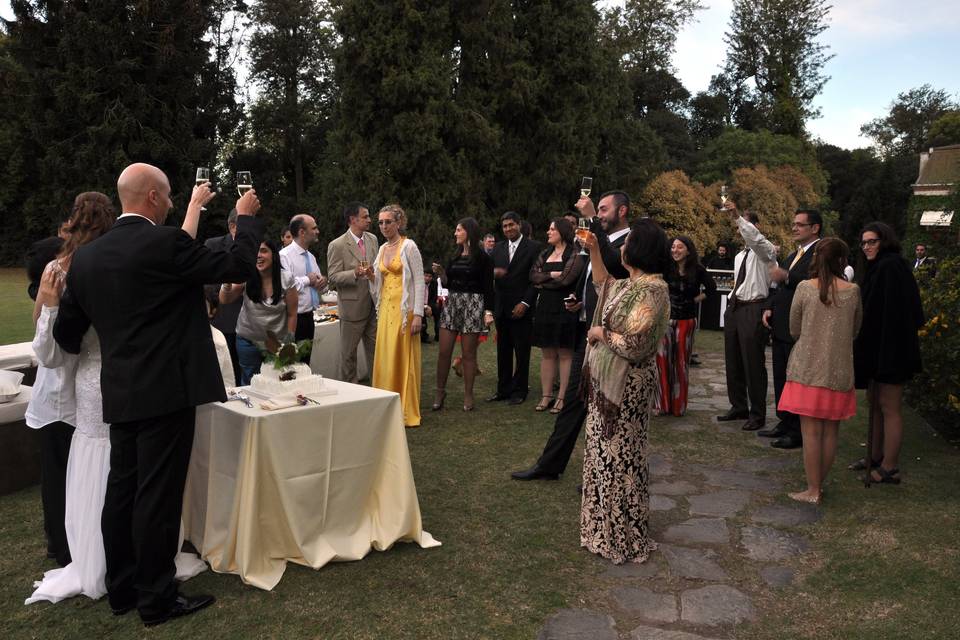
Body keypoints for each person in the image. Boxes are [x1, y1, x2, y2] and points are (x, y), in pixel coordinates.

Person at [53, 163, 263, 625]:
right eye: (168, 197)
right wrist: (245, 219)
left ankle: (122, 588)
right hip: (167, 389)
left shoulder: (86, 258)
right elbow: (239, 265)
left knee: (122, 490)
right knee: (158, 496)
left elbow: (68, 335)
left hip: (120, 389)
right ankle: (156, 598)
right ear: (151, 197)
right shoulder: (166, 244)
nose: (171, 204)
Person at [28, 187, 210, 607]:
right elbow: (55, 349)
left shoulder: (77, 267)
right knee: (139, 484)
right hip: (116, 383)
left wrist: (51, 308)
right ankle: (141, 577)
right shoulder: (116, 262)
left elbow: (56, 348)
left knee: (116, 483)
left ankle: (118, 574)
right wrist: (52, 308)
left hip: (104, 382)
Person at [512, 190, 631, 481]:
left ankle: (604, 476)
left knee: (606, 410)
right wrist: (579, 298)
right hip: (587, 331)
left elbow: (615, 266)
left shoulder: (631, 241)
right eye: (598, 211)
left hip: (611, 337)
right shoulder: (597, 242)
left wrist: (589, 218)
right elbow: (592, 278)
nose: (600, 215)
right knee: (573, 405)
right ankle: (549, 465)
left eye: (604, 210)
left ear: (623, 211)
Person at [579, 219, 670, 564]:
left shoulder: (652, 291)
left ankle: (622, 535)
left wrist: (600, 333)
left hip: (627, 387)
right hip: (609, 384)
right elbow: (604, 284)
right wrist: (593, 250)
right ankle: (600, 530)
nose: (623, 246)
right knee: (602, 454)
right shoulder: (632, 285)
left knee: (619, 456)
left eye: (628, 241)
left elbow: (634, 344)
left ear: (640, 248)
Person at [778, 238, 862, 504]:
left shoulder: (804, 287)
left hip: (807, 369)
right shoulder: (853, 291)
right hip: (838, 370)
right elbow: (856, 330)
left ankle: (813, 489)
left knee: (811, 433)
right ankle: (818, 485)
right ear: (843, 261)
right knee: (830, 432)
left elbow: (794, 328)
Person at [850, 222, 924, 485]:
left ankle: (890, 467)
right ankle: (876, 455)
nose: (867, 247)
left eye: (873, 242)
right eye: (864, 242)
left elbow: (897, 313)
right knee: (875, 402)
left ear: (885, 241)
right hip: (879, 348)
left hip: (892, 349)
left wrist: (882, 350)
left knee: (890, 406)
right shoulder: (879, 267)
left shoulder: (891, 266)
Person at [23, 215, 73, 567]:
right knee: (57, 478)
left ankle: (62, 540)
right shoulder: (50, 301)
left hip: (67, 398)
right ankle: (59, 543)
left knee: (63, 475)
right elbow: (49, 353)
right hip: (57, 401)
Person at [759, 209, 822, 450]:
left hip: (799, 328)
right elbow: (780, 288)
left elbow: (812, 283)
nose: (794, 228)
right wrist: (768, 307)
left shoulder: (819, 253)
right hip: (781, 325)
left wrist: (787, 276)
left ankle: (796, 431)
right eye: (793, 224)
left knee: (795, 380)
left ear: (814, 228)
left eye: (800, 225)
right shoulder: (794, 254)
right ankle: (784, 422)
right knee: (780, 377)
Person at [717, 203, 777, 431]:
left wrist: (736, 217)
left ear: (756, 226)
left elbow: (756, 240)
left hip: (754, 306)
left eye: (746, 222)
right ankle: (738, 406)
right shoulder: (740, 255)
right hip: (735, 306)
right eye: (739, 224)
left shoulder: (766, 250)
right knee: (733, 360)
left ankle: (758, 413)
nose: (740, 228)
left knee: (753, 363)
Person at [369, 204, 425, 426]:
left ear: (399, 222)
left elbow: (419, 281)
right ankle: (385, 406)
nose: (383, 226)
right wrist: (369, 276)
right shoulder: (382, 249)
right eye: (380, 222)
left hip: (405, 311)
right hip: (385, 310)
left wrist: (418, 314)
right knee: (386, 355)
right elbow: (378, 281)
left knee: (403, 357)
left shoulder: (409, 246)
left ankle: (405, 410)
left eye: (388, 221)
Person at [432, 217, 494, 412]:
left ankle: (468, 394)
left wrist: (488, 311)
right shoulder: (454, 256)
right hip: (453, 304)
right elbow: (448, 283)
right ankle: (440, 392)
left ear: (469, 232)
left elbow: (488, 287)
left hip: (474, 304)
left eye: (459, 230)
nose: (455, 233)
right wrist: (442, 274)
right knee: (443, 352)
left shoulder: (484, 258)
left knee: (468, 354)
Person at [220, 241, 298, 385]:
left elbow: (292, 313)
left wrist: (289, 341)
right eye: (255, 252)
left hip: (276, 344)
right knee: (250, 384)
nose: (258, 256)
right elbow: (225, 299)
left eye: (263, 251)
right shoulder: (247, 276)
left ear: (274, 255)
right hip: (248, 342)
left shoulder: (286, 278)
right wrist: (226, 282)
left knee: (278, 382)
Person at [654, 236, 715, 416]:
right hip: (665, 319)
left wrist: (694, 301)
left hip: (686, 320)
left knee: (681, 362)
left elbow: (711, 289)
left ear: (688, 250)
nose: (675, 250)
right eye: (673, 247)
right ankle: (662, 405)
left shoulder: (698, 269)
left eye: (680, 247)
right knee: (662, 360)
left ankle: (678, 405)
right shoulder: (665, 268)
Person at [529, 218, 585, 413]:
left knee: (564, 353)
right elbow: (532, 275)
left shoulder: (575, 253)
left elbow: (566, 280)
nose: (548, 232)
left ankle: (562, 397)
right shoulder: (545, 253)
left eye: (552, 229)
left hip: (564, 306)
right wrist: (552, 276)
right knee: (547, 353)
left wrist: (545, 279)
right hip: (544, 305)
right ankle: (546, 396)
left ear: (562, 231)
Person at [488, 212, 541, 405]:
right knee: (503, 351)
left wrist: (525, 303)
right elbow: (488, 275)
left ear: (519, 225)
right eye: (504, 226)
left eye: (511, 225)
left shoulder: (534, 248)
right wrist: (493, 273)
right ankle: (503, 390)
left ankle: (520, 391)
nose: (508, 229)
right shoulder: (498, 248)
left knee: (521, 351)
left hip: (522, 307)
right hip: (501, 307)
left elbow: (535, 280)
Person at [327, 202, 379, 383]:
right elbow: (332, 277)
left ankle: (378, 388)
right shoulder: (337, 245)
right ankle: (352, 391)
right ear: (352, 219)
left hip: (374, 304)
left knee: (376, 352)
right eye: (365, 216)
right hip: (352, 308)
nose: (369, 220)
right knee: (349, 355)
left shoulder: (372, 239)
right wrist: (354, 273)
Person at [204, 209, 243, 385]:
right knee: (228, 376)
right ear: (232, 226)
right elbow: (206, 281)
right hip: (225, 319)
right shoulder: (214, 246)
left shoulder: (259, 247)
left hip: (253, 324)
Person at [279, 214, 328, 347]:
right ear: (302, 232)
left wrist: (323, 282)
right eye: (314, 228)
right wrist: (308, 279)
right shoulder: (284, 256)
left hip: (309, 317)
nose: (317, 231)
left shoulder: (310, 257)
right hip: (292, 320)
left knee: (306, 362)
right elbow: (284, 286)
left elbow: (318, 285)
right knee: (291, 364)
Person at [422, 269, 441, 343]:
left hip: (430, 305)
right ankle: (424, 336)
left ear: (432, 278)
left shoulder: (434, 284)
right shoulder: (418, 283)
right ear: (422, 275)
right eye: (426, 276)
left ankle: (438, 335)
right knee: (421, 315)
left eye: (430, 276)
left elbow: (434, 297)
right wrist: (425, 307)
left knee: (438, 310)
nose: (427, 278)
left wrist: (429, 306)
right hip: (420, 305)